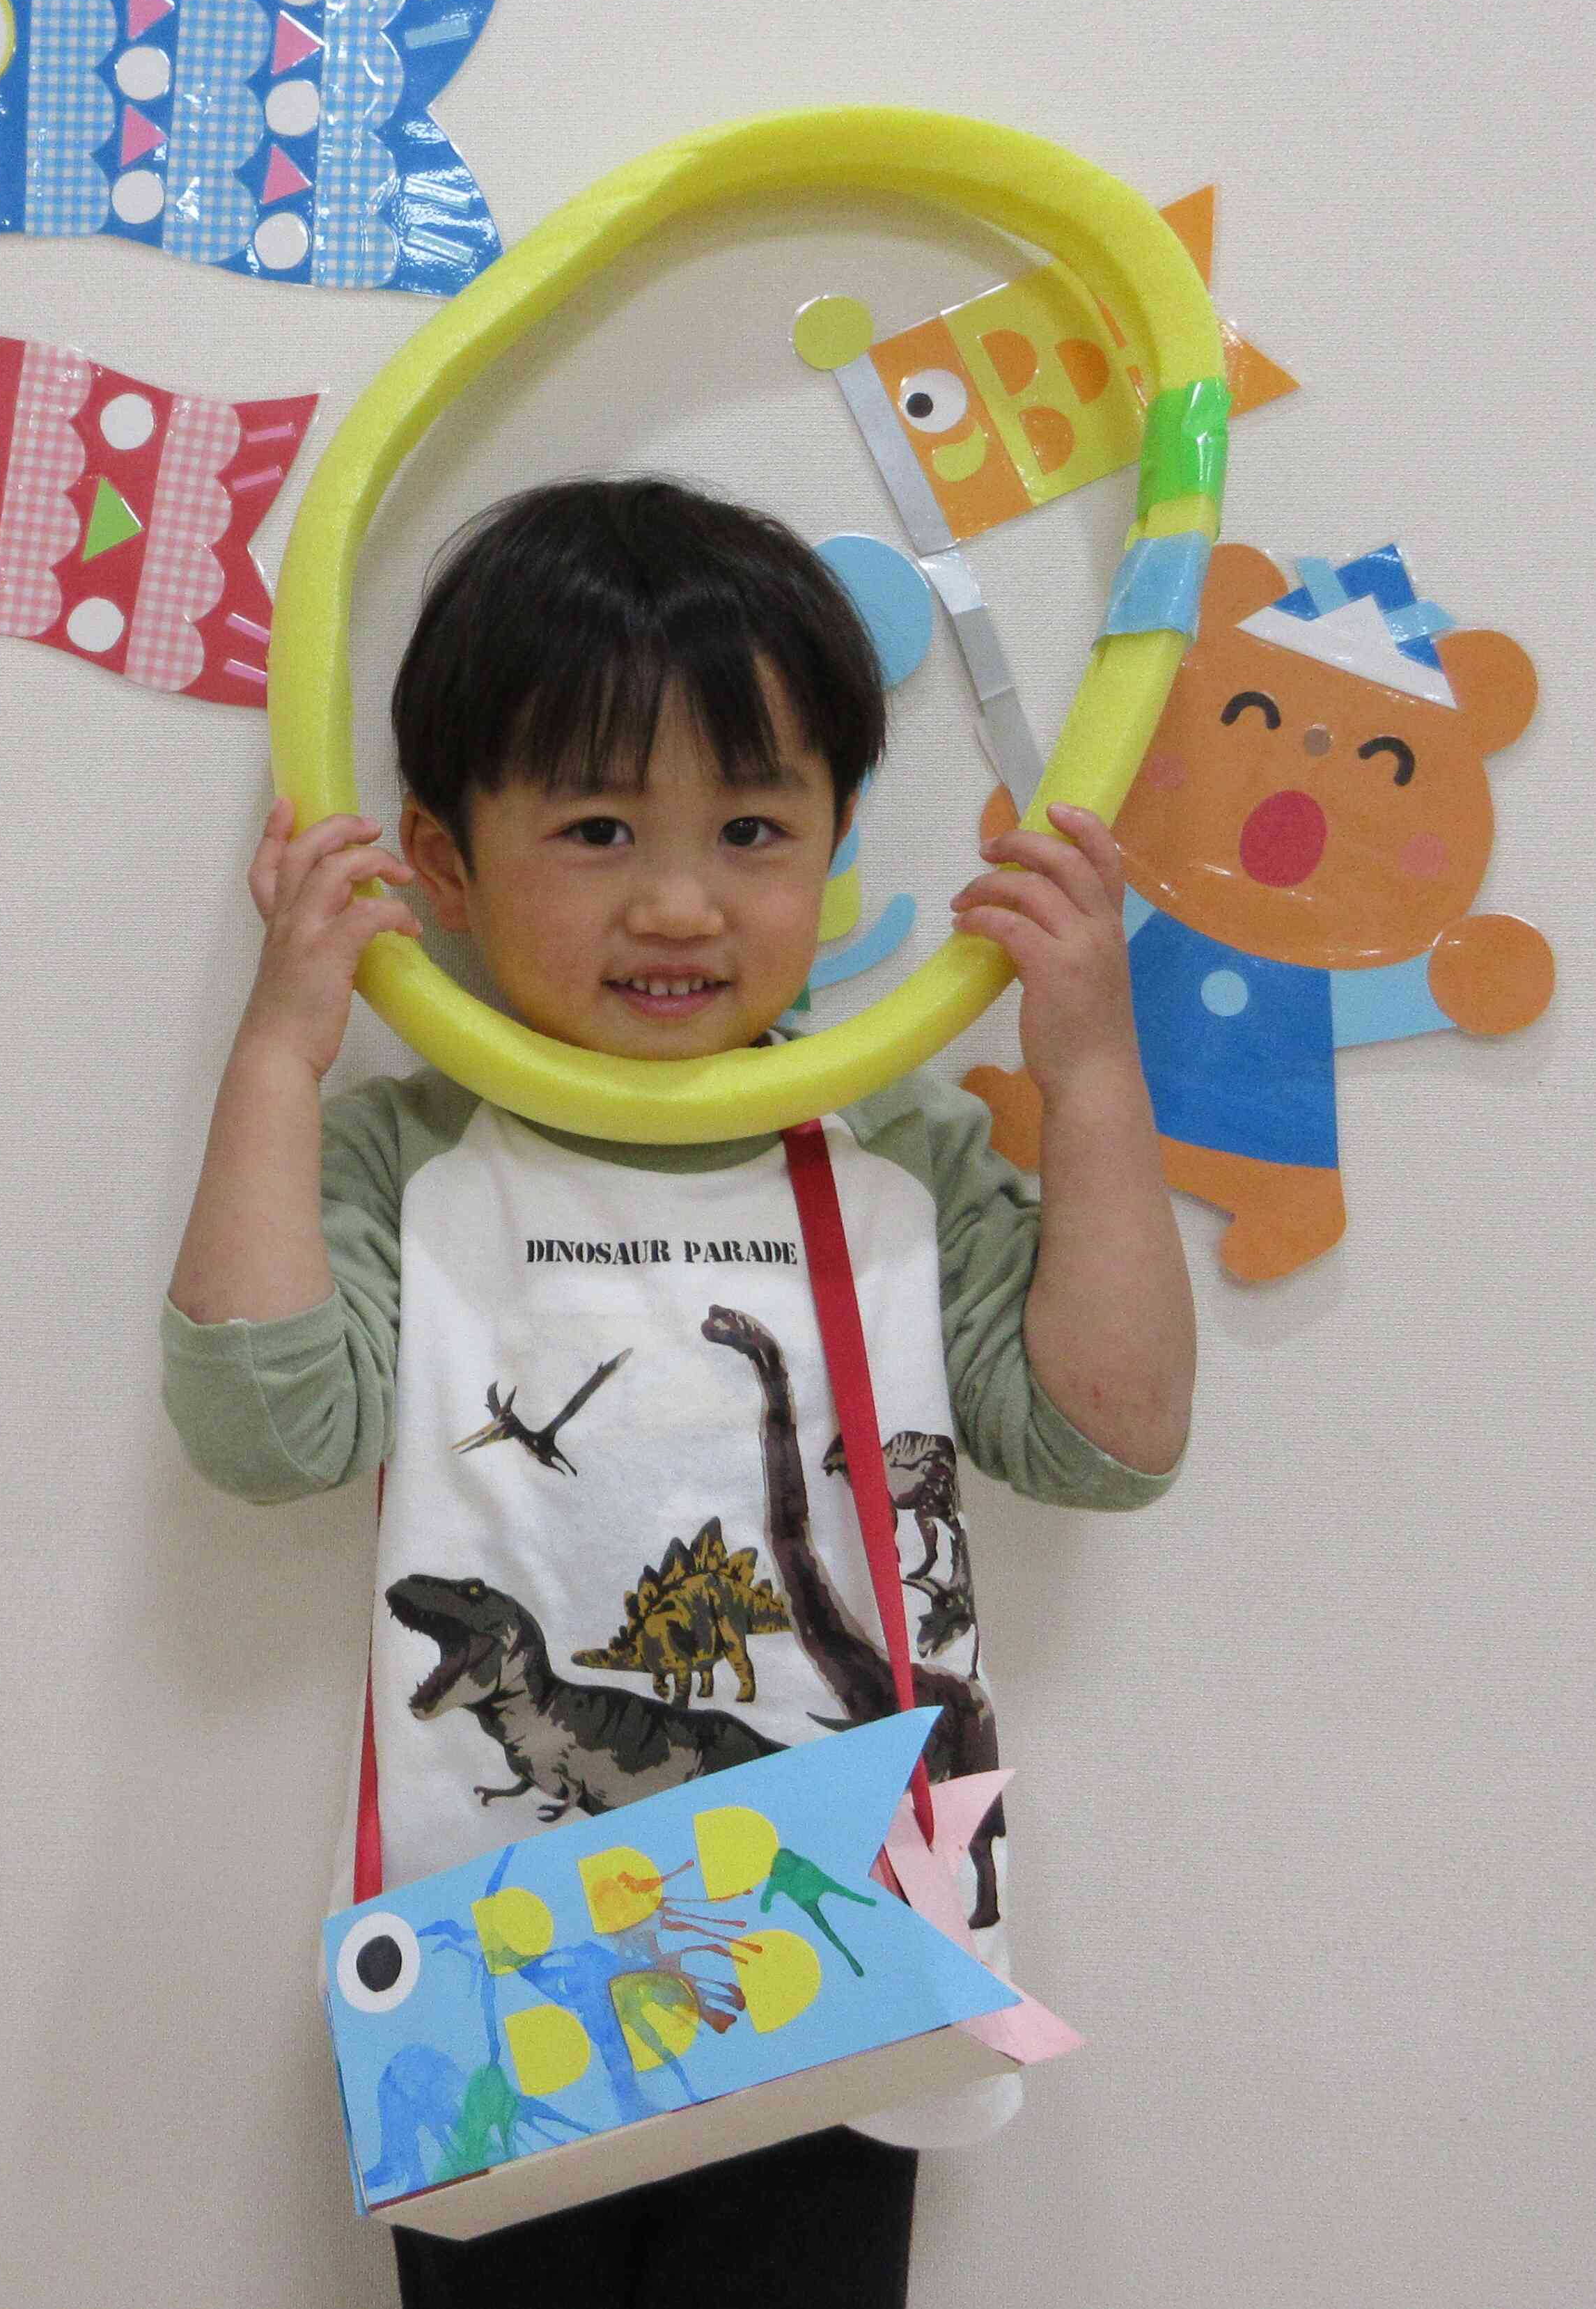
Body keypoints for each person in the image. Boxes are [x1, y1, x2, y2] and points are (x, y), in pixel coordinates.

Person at [162, 477, 1194, 2309]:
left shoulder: (887, 1150)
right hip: (497, 1958)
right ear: (441, 862)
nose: (677, 900)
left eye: (750, 826)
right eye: (592, 827)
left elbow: (1105, 1442)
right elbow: (264, 1432)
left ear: (835, 842)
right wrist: (278, 1054)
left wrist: (1092, 1072)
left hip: (830, 1925)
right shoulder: (411, 1158)